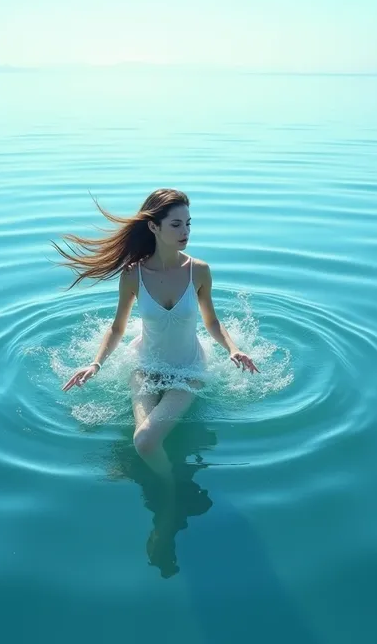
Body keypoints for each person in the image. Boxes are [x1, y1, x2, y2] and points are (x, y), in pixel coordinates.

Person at [53, 188, 259, 482]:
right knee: (144, 440)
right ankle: (168, 492)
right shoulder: (133, 274)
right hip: (145, 366)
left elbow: (211, 321)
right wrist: (95, 364)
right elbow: (117, 327)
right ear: (154, 226)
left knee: (145, 441)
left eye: (188, 223)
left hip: (189, 369)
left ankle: (170, 500)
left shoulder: (198, 271)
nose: (185, 231)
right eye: (176, 224)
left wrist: (233, 349)